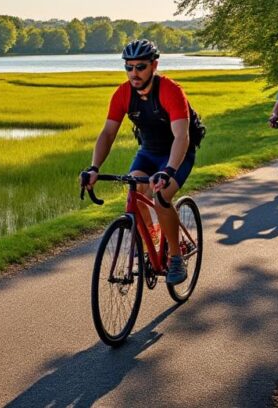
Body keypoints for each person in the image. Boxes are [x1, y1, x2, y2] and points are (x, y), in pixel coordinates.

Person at [81, 39, 201, 285]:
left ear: (154, 65)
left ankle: (176, 257)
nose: (133, 73)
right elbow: (107, 133)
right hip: (148, 151)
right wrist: (94, 167)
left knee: (161, 197)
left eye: (140, 67)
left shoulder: (170, 90)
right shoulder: (123, 93)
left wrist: (169, 170)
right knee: (135, 191)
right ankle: (153, 242)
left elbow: (182, 135)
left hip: (177, 152)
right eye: (129, 67)